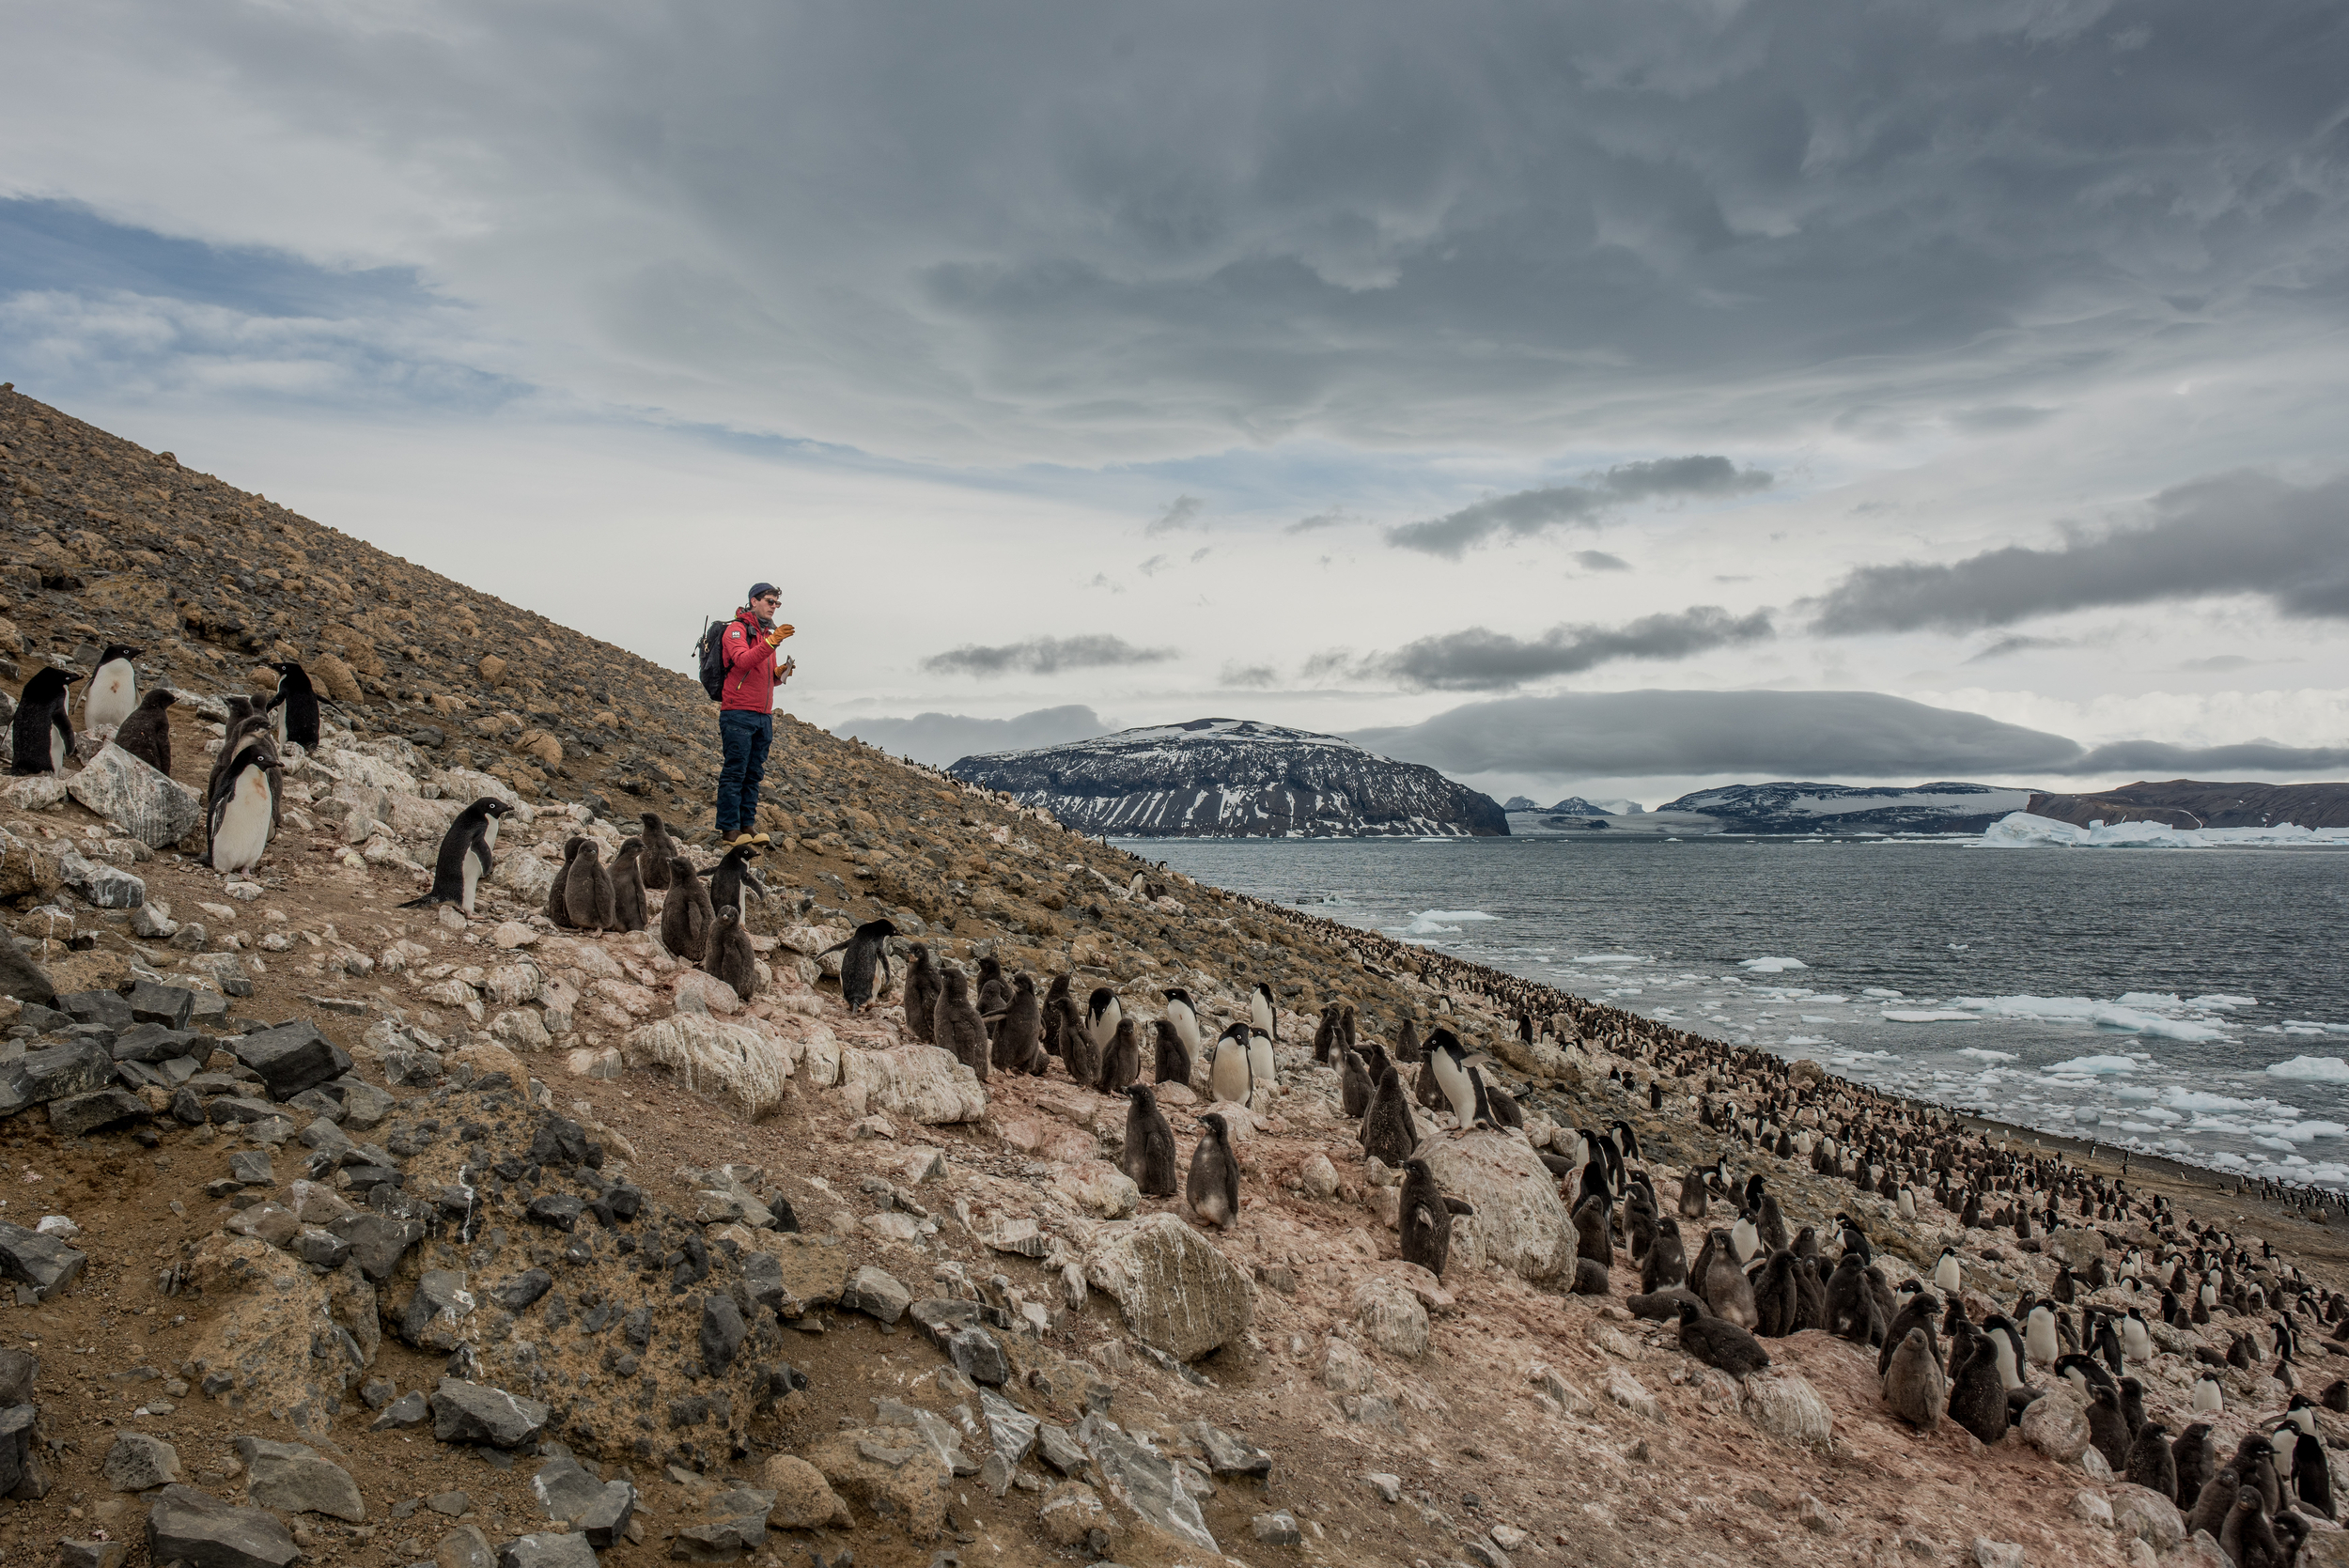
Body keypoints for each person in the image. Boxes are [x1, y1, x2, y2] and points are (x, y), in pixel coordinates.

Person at [714, 582, 795, 848]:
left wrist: (779, 673)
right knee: (735, 772)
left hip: (763, 715)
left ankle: (747, 825)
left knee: (753, 773)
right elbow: (743, 661)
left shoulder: (766, 635)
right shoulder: (736, 630)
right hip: (738, 713)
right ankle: (729, 829)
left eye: (777, 603)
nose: (774, 607)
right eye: (770, 601)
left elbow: (759, 675)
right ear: (754, 601)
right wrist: (772, 642)